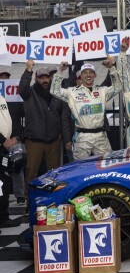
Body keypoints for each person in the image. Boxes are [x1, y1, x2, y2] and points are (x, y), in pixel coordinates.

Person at [50, 59, 121, 160]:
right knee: (80, 167)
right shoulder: (72, 92)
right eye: (85, 73)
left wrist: (112, 68)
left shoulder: (101, 91)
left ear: (95, 75)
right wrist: (60, 70)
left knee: (106, 165)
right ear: (81, 76)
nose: (88, 75)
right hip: (82, 137)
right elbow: (54, 91)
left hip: (101, 136)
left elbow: (118, 87)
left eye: (91, 72)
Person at [19, 62, 66, 197]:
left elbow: (62, 115)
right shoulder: (29, 93)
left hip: (53, 141)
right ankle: (29, 200)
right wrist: (28, 70)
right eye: (41, 78)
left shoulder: (55, 93)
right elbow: (22, 88)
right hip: (34, 141)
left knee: (54, 173)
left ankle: (52, 198)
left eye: (47, 77)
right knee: (31, 172)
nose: (45, 80)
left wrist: (60, 133)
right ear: (36, 78)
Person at [0, 93, 21, 228]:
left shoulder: (1, 98)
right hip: (2, 144)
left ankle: (3, 217)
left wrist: (12, 137)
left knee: (5, 182)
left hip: (4, 148)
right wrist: (3, 141)